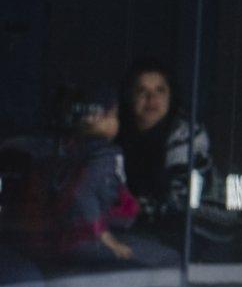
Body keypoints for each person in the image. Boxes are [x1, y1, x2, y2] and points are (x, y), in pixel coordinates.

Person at [54, 86, 176, 267]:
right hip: (90, 240)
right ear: (94, 118)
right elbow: (83, 193)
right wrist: (108, 240)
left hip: (70, 238)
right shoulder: (105, 155)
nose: (117, 123)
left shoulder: (71, 149)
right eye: (113, 116)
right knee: (171, 260)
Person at [116, 60, 228, 257]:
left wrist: (123, 210)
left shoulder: (186, 135)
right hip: (153, 232)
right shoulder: (120, 137)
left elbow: (179, 203)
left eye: (160, 90)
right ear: (130, 98)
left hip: (200, 235)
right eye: (142, 91)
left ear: (170, 97)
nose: (151, 98)